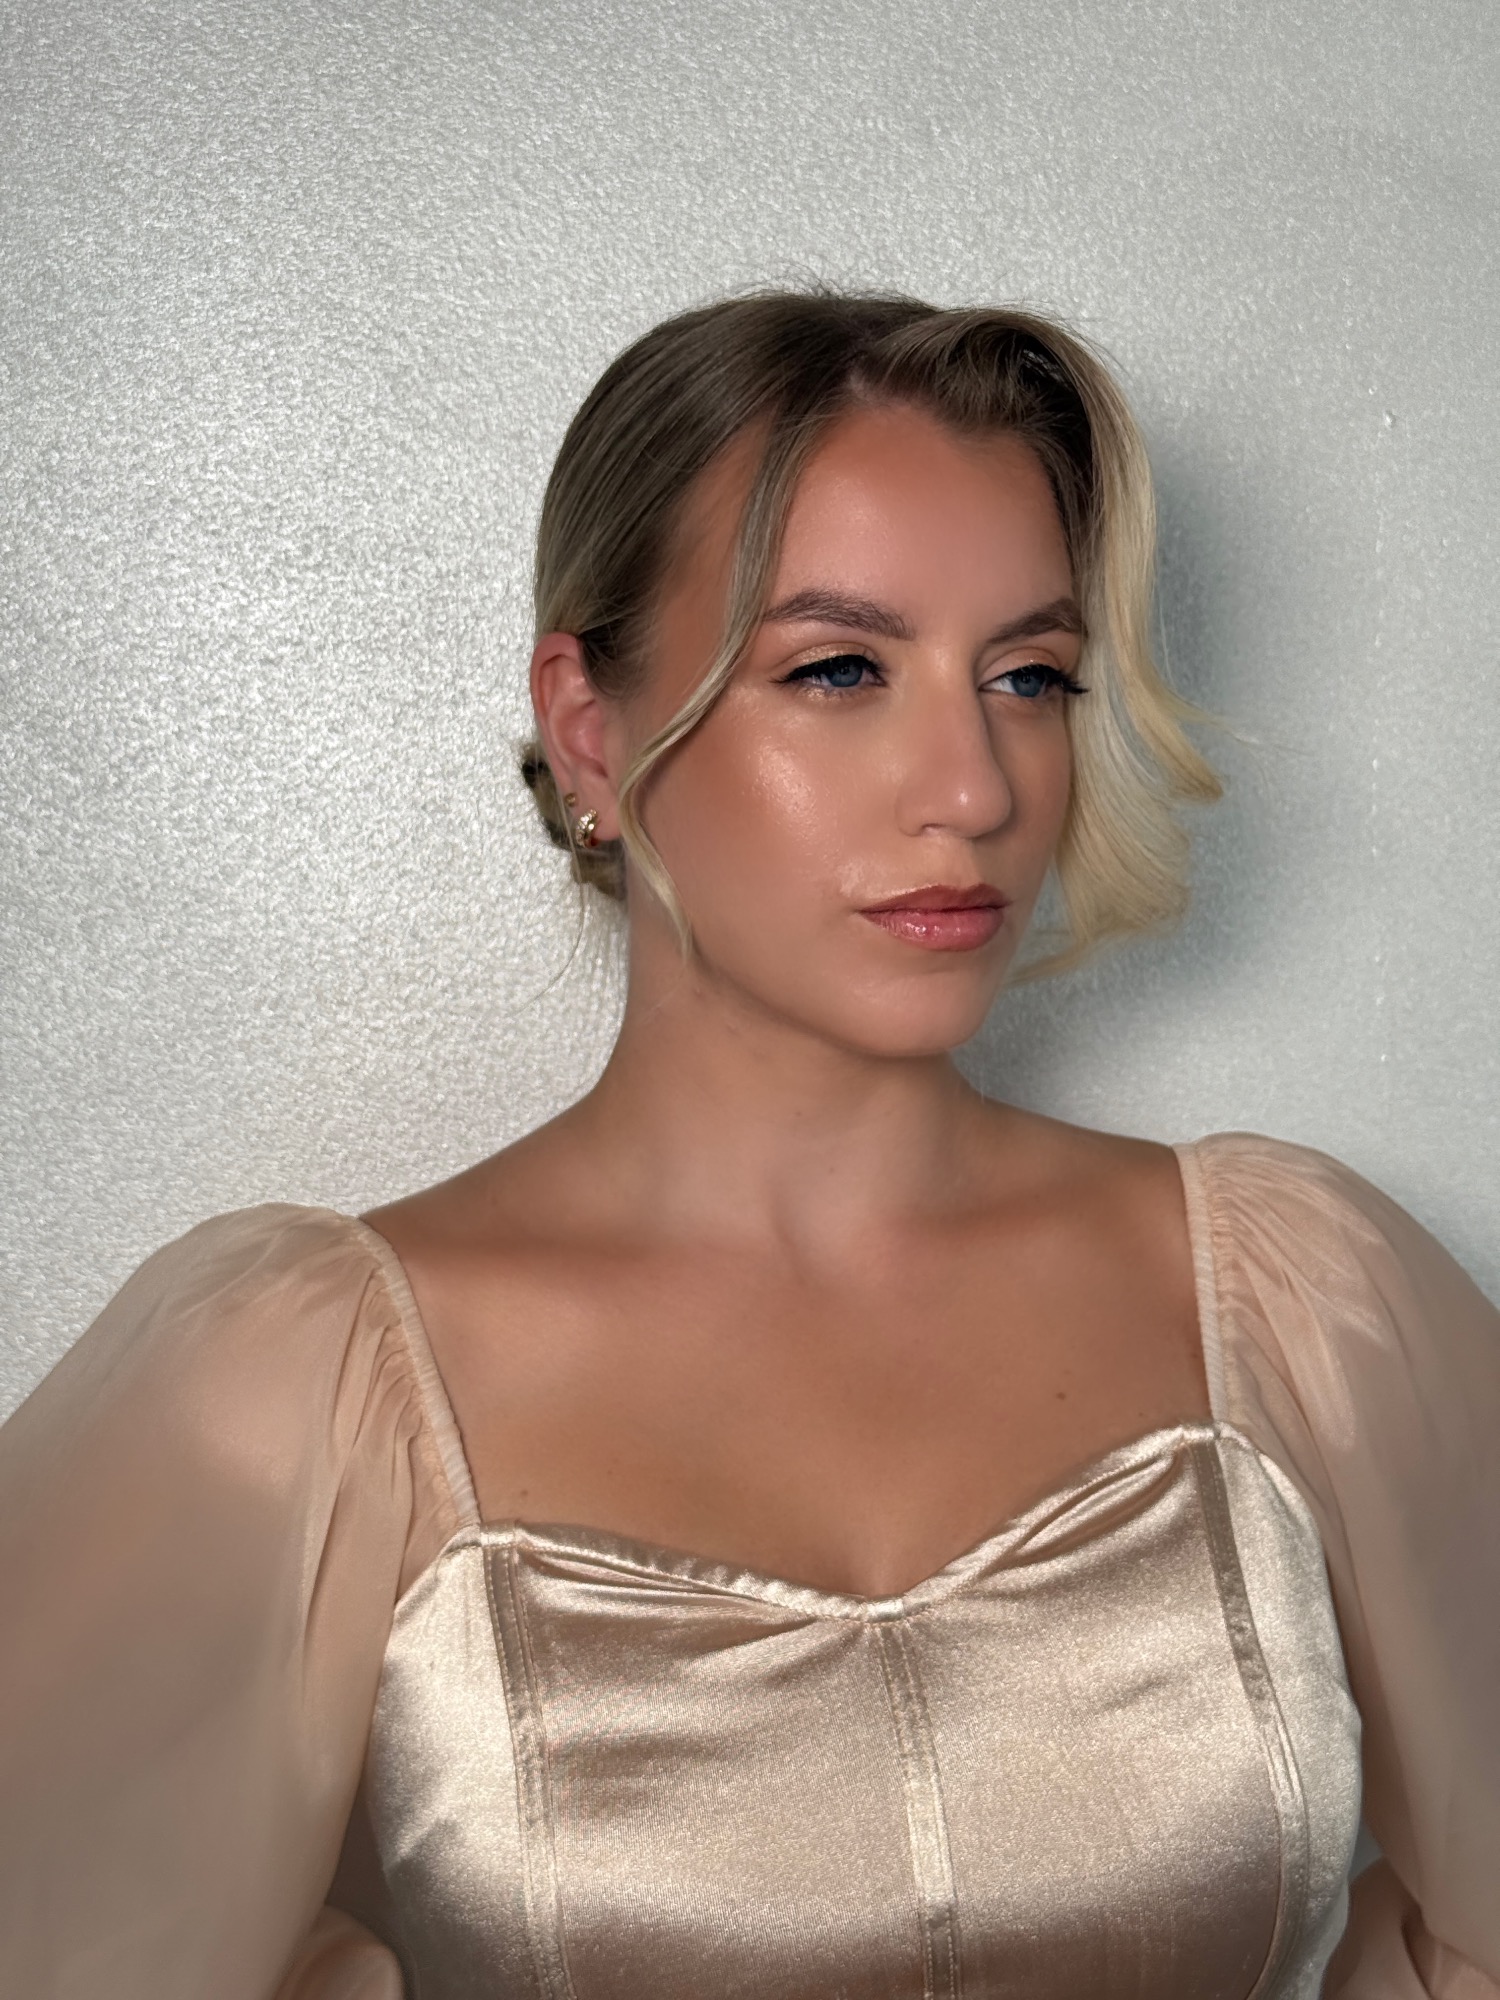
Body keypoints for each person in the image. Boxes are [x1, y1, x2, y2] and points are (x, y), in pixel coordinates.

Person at [0, 291, 1495, 2000]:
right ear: (591, 730)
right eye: (839, 670)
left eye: (1028, 676)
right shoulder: (307, 1392)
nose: (975, 788)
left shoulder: (1300, 1307)